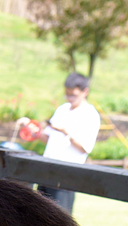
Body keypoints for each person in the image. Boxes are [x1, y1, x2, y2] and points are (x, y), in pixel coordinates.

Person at [35, 73, 101, 212]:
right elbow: (48, 138)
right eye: (67, 94)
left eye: (73, 95)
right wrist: (32, 130)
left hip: (66, 174)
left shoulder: (90, 114)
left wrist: (66, 132)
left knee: (59, 217)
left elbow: (85, 148)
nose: (69, 98)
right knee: (37, 214)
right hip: (46, 169)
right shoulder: (62, 109)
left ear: (85, 92)